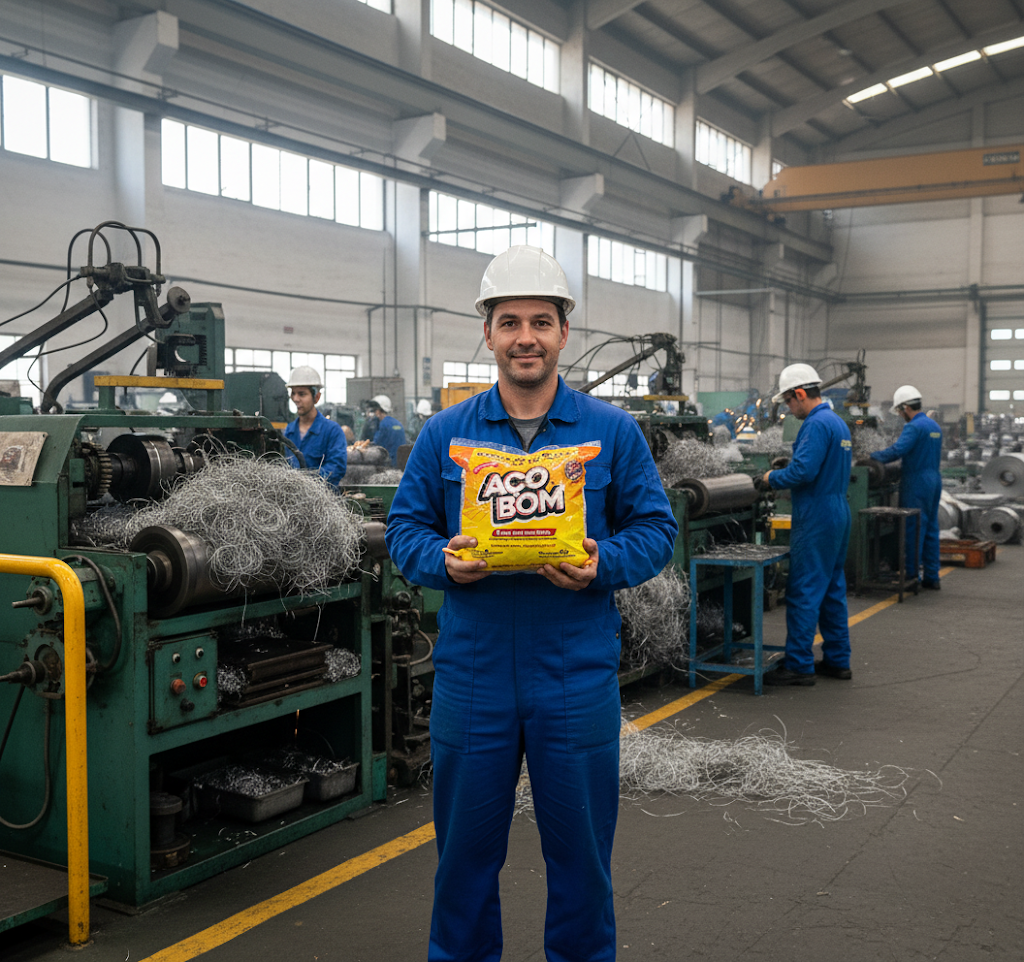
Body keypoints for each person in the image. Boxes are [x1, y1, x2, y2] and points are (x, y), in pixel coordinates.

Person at [385, 245, 678, 962]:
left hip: (573, 672)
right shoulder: (445, 434)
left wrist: (603, 564)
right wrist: (442, 563)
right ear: (487, 332)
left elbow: (656, 529)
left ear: (563, 333)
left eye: (541, 322)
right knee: (462, 863)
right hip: (473, 673)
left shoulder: (611, 432)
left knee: (581, 863)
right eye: (510, 322)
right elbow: (404, 531)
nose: (526, 337)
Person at [761, 363, 853, 685]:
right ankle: (838, 660)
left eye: (788, 401)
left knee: (804, 588)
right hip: (838, 510)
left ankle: (799, 665)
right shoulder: (838, 423)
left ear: (800, 394)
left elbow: (804, 473)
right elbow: (819, 464)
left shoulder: (815, 424)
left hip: (817, 515)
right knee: (832, 588)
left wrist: (770, 478)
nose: (789, 409)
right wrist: (793, 463)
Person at [870, 386, 943, 590]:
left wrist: (872, 457)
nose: (901, 415)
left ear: (905, 408)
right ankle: (932, 577)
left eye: (900, 411)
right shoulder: (934, 426)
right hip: (934, 480)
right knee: (930, 529)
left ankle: (912, 577)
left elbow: (898, 450)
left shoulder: (914, 427)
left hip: (917, 482)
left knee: (913, 528)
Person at [281, 366, 347, 487]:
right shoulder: (289, 432)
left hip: (323, 497)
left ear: (316, 397)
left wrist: (304, 482)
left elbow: (336, 468)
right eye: (293, 393)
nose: (295, 399)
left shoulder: (332, 431)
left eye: (302, 394)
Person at [366, 394, 407, 463]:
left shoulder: (383, 424)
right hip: (401, 462)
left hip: (389, 463)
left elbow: (376, 445)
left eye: (374, 411)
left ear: (378, 411)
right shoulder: (397, 423)